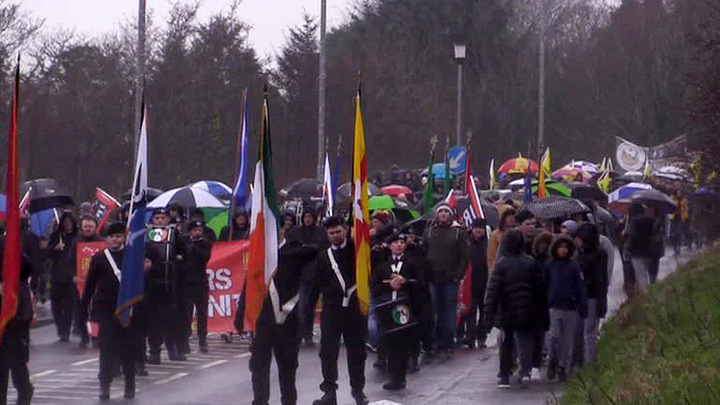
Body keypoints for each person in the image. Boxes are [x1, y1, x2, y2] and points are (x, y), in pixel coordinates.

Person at [79, 222, 149, 400]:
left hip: (128, 309)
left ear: (124, 237)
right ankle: (104, 383)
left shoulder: (132, 257)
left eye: (118, 236)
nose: (114, 240)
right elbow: (90, 286)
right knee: (107, 347)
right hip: (106, 308)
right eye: (110, 237)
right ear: (106, 239)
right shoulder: (99, 259)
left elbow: (140, 285)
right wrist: (83, 307)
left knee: (128, 348)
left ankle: (129, 383)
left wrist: (145, 270)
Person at [250, 241, 318, 405]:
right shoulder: (259, 256)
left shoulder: (291, 251)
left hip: (287, 322)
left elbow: (313, 250)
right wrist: (240, 316)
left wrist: (277, 255)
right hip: (263, 323)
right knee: (259, 368)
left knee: (288, 370)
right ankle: (260, 401)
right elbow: (250, 285)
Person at [310, 216, 369, 405]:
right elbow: (315, 285)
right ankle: (329, 392)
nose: (335, 236)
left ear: (346, 230)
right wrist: (308, 309)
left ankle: (358, 390)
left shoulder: (357, 251)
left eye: (338, 232)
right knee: (327, 352)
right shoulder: (323, 256)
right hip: (331, 311)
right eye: (331, 233)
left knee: (357, 351)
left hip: (354, 310)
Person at [483, 229, 546, 388]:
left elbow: (492, 293)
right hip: (528, 310)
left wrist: (488, 319)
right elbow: (540, 290)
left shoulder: (501, 264)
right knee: (526, 341)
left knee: (506, 343)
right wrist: (542, 315)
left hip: (507, 311)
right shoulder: (531, 263)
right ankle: (526, 372)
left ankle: (504, 375)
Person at [371, 232, 423, 391]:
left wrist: (405, 282)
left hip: (405, 307)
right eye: (395, 243)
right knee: (390, 343)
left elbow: (421, 284)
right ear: (389, 246)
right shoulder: (382, 266)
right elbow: (374, 287)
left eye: (401, 242)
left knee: (404, 341)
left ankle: (404, 371)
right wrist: (389, 285)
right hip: (388, 307)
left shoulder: (411, 264)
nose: (399, 245)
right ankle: (395, 377)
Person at [423, 203, 467, 358]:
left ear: (450, 215)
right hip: (433, 278)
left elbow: (464, 256)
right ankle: (433, 342)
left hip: (450, 279)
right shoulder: (429, 232)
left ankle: (448, 342)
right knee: (434, 310)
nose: (442, 214)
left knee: (448, 311)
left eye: (445, 212)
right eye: (440, 211)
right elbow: (424, 252)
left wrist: (458, 274)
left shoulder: (457, 233)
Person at [145, 208, 186, 363]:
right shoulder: (146, 235)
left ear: (168, 219)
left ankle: (173, 349)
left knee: (171, 320)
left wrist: (177, 261)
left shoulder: (176, 235)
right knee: (153, 321)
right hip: (152, 285)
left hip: (170, 285)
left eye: (163, 217)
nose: (160, 221)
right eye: (157, 218)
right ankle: (154, 352)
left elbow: (185, 256)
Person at [285, 206, 328, 346]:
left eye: (310, 217)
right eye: (306, 217)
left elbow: (323, 249)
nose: (308, 220)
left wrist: (309, 248)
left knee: (311, 307)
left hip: (317, 274)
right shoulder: (296, 231)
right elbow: (292, 249)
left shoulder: (320, 232)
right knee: (302, 306)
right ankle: (300, 334)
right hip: (301, 274)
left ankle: (308, 334)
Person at [545, 236, 586, 382]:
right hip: (554, 306)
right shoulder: (550, 265)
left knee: (567, 340)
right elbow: (545, 285)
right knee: (554, 336)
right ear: (555, 249)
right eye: (560, 247)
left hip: (570, 307)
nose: (563, 250)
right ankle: (552, 360)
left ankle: (563, 366)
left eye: (565, 247)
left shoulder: (573, 266)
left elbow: (580, 287)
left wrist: (582, 306)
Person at [0, 238, 35, 405]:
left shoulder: (19, 281)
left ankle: (25, 392)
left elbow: (28, 268)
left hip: (16, 323)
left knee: (17, 364)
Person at [574, 223, 608, 365]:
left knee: (589, 334)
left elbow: (600, 280)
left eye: (578, 238)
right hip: (582, 297)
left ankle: (590, 365)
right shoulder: (580, 253)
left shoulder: (596, 255)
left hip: (591, 297)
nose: (575, 241)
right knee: (581, 333)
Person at [46, 211, 79, 342]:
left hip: (71, 276)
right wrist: (55, 248)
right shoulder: (56, 236)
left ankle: (65, 330)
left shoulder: (77, 237)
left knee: (69, 304)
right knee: (56, 303)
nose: (68, 226)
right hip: (57, 275)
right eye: (65, 224)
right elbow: (47, 254)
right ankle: (60, 326)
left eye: (70, 223)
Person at [73, 216, 104, 349]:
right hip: (80, 282)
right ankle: (84, 336)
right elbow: (69, 262)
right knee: (81, 310)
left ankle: (97, 336)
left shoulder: (101, 242)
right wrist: (72, 276)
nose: (88, 229)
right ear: (81, 227)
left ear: (95, 228)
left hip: (98, 282)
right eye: (86, 226)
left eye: (90, 227)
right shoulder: (76, 242)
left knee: (97, 310)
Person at [183, 220, 213, 353]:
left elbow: (205, 257)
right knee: (187, 312)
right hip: (187, 282)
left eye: (199, 230)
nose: (197, 233)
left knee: (202, 312)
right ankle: (185, 338)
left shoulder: (205, 243)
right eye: (195, 230)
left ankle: (202, 339)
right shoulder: (184, 242)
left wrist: (196, 245)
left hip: (200, 281)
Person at [460, 218, 489, 349]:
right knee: (470, 310)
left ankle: (482, 337)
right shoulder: (466, 242)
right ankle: (470, 337)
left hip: (485, 281)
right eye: (476, 227)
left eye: (481, 228)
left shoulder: (487, 243)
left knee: (484, 311)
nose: (479, 230)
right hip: (470, 281)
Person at [625, 202, 654, 292]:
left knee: (640, 275)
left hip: (637, 252)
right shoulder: (650, 220)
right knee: (648, 274)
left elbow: (632, 236)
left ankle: (644, 297)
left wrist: (628, 248)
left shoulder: (634, 221)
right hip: (649, 250)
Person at [487, 206, 516, 271]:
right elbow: (491, 257)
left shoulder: (518, 233)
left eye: (513, 215)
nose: (511, 218)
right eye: (508, 216)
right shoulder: (495, 235)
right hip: (500, 271)